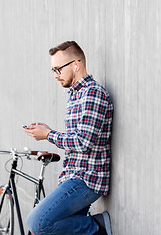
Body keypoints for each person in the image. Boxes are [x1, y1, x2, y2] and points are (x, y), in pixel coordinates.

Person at [24, 41, 113, 235]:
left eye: (58, 69)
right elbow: (75, 138)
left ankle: (97, 228)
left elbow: (83, 142)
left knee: (37, 223)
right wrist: (48, 131)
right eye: (53, 70)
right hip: (72, 176)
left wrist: (48, 135)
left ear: (76, 64)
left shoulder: (93, 94)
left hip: (87, 179)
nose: (56, 75)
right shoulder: (75, 96)